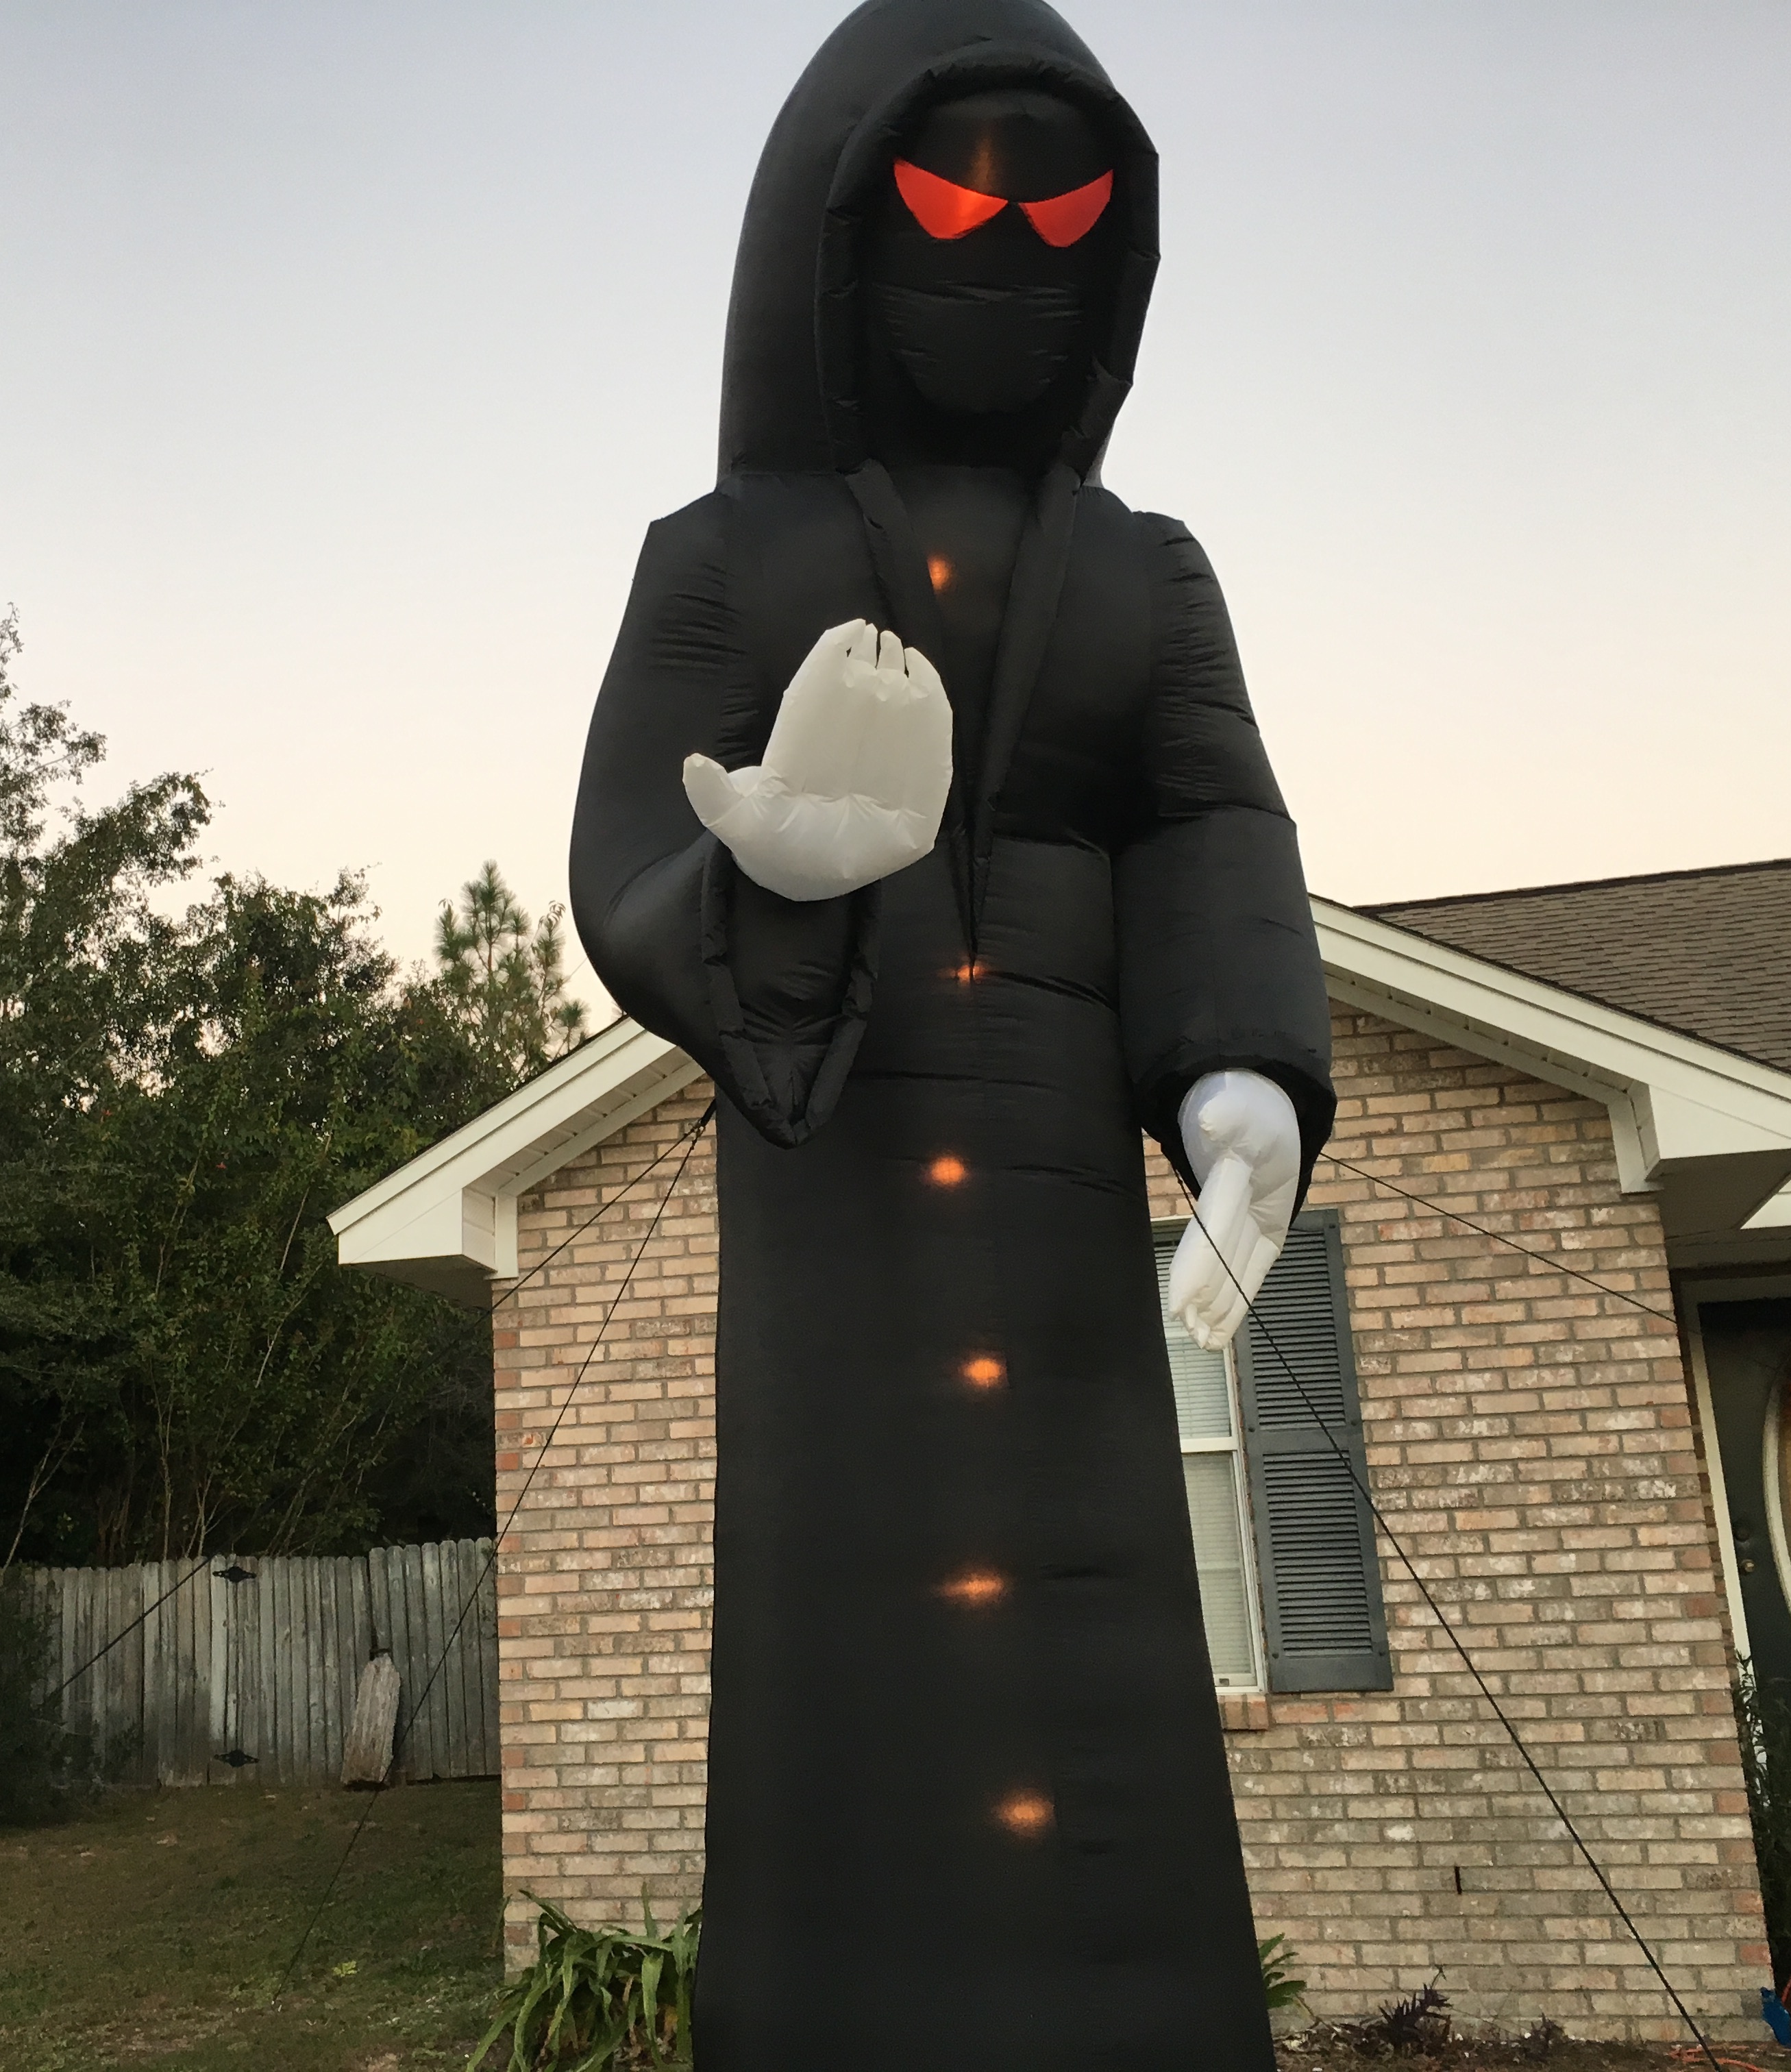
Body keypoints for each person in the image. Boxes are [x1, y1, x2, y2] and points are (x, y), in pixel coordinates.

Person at [569, 3, 1335, 2063]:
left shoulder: (1151, 577)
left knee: (1099, 1681)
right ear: (837, 233)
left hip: (1071, 1197)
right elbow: (627, 848)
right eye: (950, 202)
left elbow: (1212, 821)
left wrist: (1241, 1076)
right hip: (841, 1205)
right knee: (854, 1663)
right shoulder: (721, 563)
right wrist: (771, 879)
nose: (1006, 252)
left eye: (1063, 219)